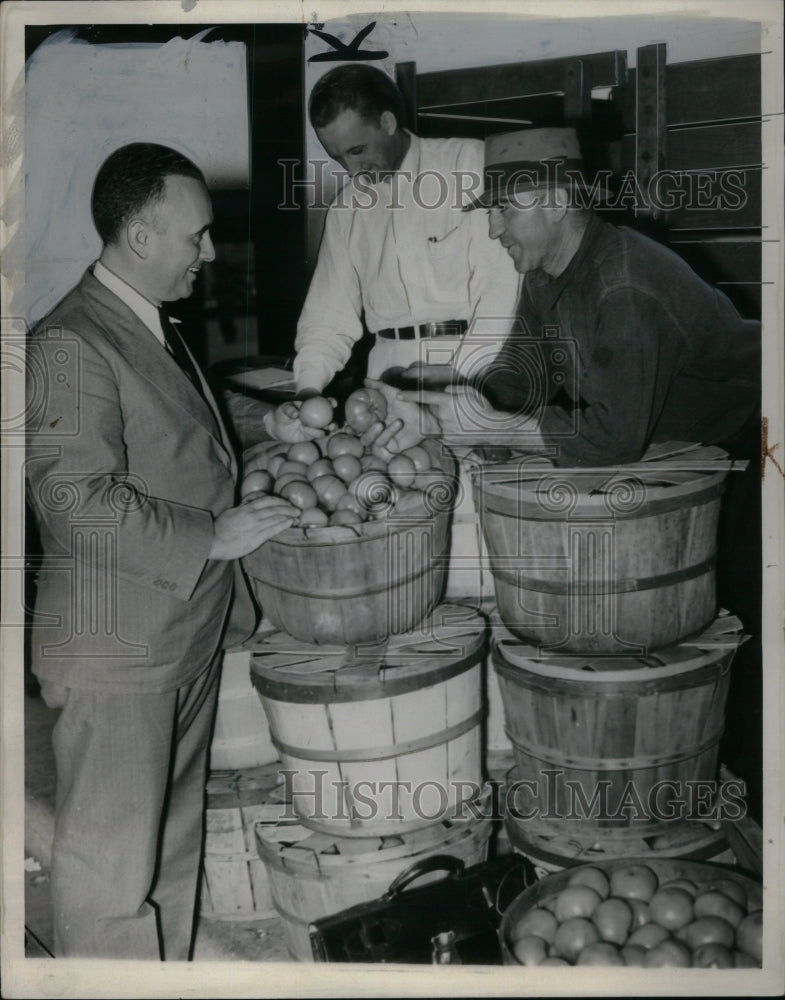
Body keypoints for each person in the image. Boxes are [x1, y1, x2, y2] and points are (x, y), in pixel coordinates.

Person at [24, 143, 298, 959]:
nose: (209, 255)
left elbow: (177, 440)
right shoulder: (68, 343)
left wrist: (264, 427)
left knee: (173, 859)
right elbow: (77, 502)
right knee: (111, 882)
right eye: (197, 237)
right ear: (142, 237)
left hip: (179, 637)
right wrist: (213, 536)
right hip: (118, 654)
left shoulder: (143, 325)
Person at [267, 63, 520, 442]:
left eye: (357, 150)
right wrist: (307, 390)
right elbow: (327, 317)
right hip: (382, 394)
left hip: (472, 379)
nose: (353, 171)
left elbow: (502, 293)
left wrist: (463, 378)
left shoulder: (469, 166)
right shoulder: (347, 210)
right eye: (339, 158)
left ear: (387, 122)